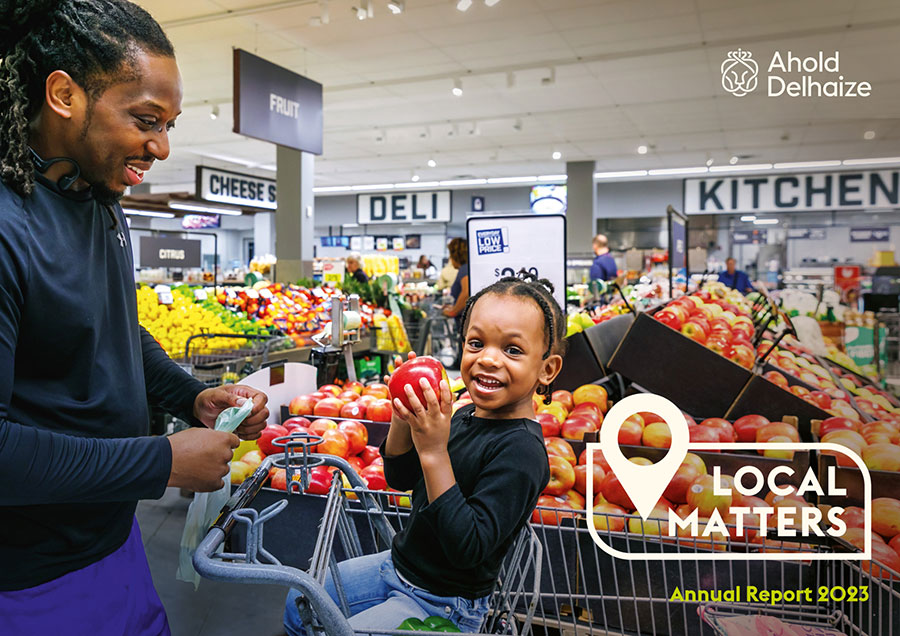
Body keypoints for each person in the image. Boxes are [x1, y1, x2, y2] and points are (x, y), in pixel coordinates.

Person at [0, 2, 269, 633]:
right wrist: (161, 462)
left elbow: (112, 328)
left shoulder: (97, 197)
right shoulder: (7, 228)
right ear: (64, 94)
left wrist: (191, 394)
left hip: (109, 539)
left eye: (169, 124)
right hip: (27, 578)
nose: (162, 147)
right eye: (146, 120)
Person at [283, 272, 565, 633]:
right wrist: (404, 419)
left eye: (512, 349)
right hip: (398, 566)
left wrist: (434, 451)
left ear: (547, 369)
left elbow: (467, 548)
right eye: (476, 343)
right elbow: (399, 478)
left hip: (445, 601)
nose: (488, 359)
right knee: (299, 603)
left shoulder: (522, 451)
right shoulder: (463, 414)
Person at [443, 238, 469, 319]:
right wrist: (454, 307)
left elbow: (466, 292)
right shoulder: (466, 268)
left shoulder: (464, 269)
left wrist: (453, 312)